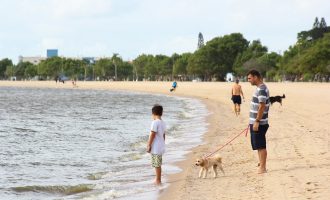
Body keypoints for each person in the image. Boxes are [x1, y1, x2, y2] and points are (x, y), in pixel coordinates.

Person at [247, 69, 270, 174]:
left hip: (259, 123)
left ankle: (263, 168)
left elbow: (262, 106)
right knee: (258, 145)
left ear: (256, 77)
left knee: (260, 145)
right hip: (257, 122)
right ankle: (261, 164)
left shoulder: (261, 89)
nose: (248, 80)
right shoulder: (261, 88)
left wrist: (256, 121)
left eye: (249, 78)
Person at [147, 104, 166, 185]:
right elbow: (164, 135)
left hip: (156, 147)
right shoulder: (163, 122)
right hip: (160, 145)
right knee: (158, 163)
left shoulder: (155, 122)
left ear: (153, 114)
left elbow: (152, 134)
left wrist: (149, 144)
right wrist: (163, 143)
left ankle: (158, 180)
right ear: (161, 113)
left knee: (157, 164)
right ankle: (158, 179)